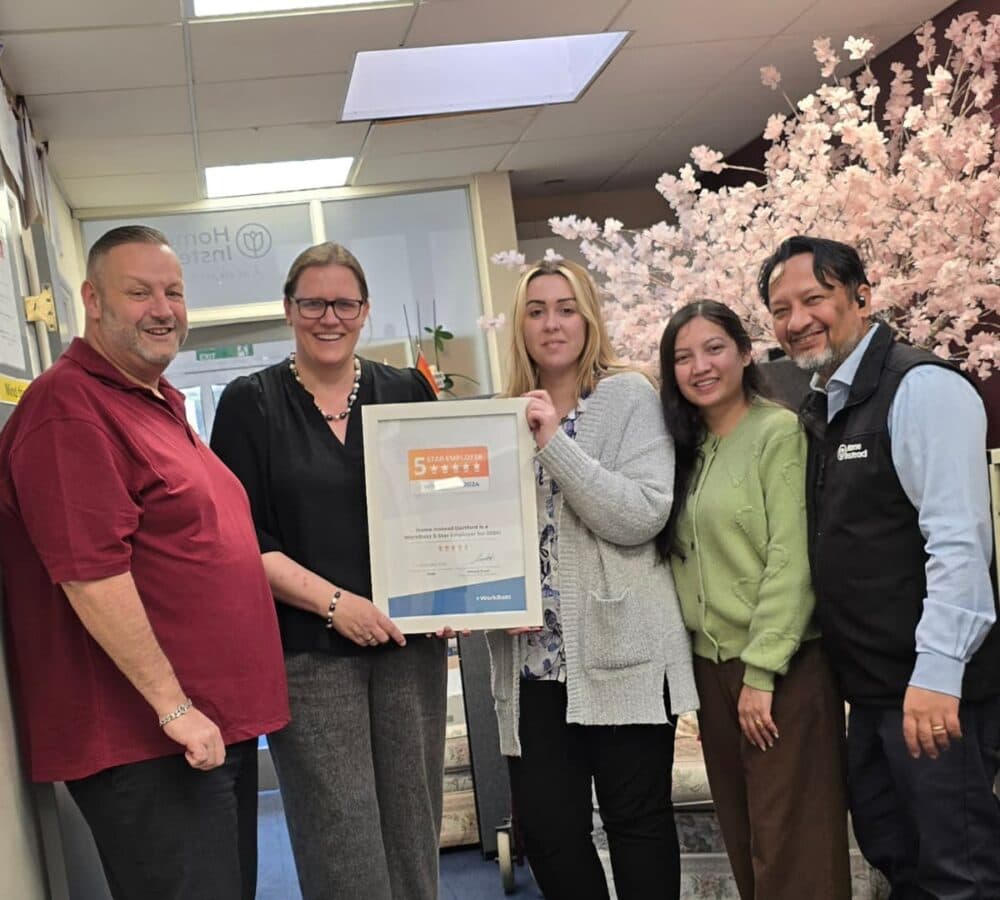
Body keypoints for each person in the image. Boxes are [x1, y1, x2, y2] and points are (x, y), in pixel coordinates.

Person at [0, 225, 290, 900]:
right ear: (92, 300)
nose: (162, 308)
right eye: (139, 292)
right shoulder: (68, 409)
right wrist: (171, 707)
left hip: (201, 730)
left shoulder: (152, 401)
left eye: (173, 292)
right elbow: (89, 573)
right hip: (149, 741)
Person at [759, 234, 1000, 899]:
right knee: (899, 860)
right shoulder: (823, 405)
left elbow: (958, 543)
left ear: (861, 295)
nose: (797, 319)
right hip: (870, 694)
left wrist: (936, 676)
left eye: (814, 298)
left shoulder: (919, 387)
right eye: (781, 309)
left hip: (930, 693)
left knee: (961, 875)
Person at [210, 241, 447, 900]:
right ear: (288, 309)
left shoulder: (406, 390)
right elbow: (241, 541)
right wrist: (339, 605)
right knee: (339, 836)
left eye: (344, 302)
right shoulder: (248, 404)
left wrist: (456, 590)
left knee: (412, 825)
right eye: (312, 302)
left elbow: (445, 509)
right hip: (310, 652)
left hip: (407, 645)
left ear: (365, 310)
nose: (328, 316)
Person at [486, 258, 698, 900]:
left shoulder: (629, 396)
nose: (552, 323)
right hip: (532, 664)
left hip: (624, 651)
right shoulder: (499, 417)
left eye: (566, 307)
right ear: (519, 326)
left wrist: (554, 441)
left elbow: (640, 514)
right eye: (536, 310)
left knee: (637, 825)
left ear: (589, 318)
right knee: (549, 834)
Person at [658, 300, 851, 899]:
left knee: (794, 845)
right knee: (745, 842)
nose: (700, 366)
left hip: (779, 670)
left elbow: (791, 561)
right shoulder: (683, 450)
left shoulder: (778, 432)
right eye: (683, 357)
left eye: (714, 348)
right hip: (712, 670)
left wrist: (762, 672)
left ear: (745, 353)